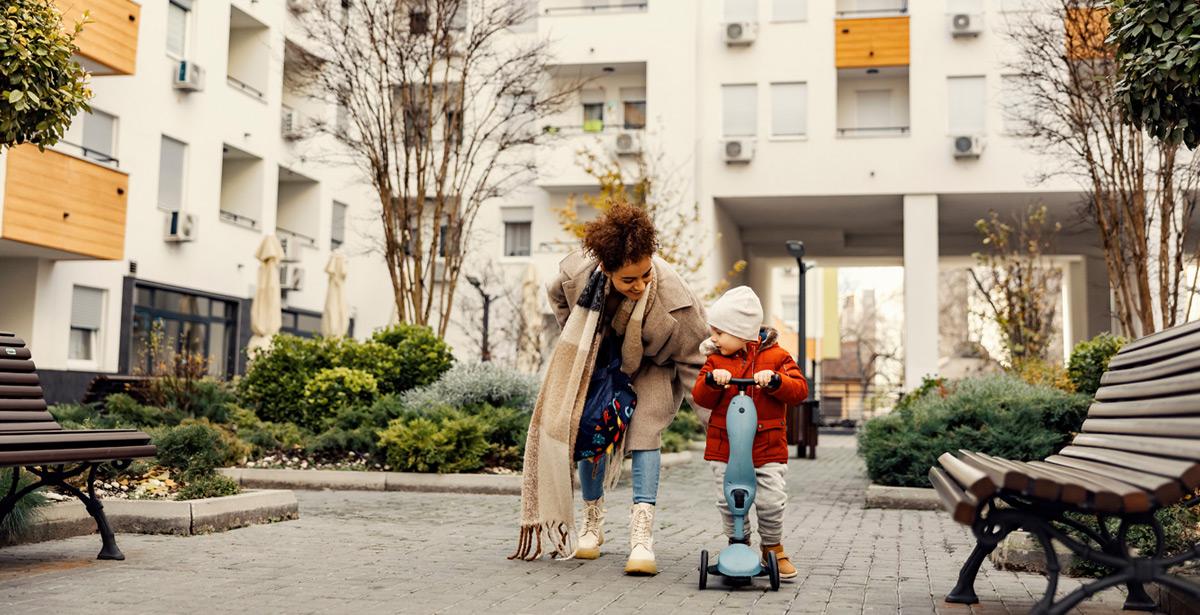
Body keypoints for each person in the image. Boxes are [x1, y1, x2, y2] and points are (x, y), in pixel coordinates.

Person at [509, 200, 708, 575]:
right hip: (600, 360)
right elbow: (555, 294)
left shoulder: (674, 298)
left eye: (646, 275)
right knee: (589, 428)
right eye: (628, 280)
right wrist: (580, 333)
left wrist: (714, 425)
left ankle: (641, 535)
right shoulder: (579, 274)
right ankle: (592, 522)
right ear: (606, 269)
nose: (640, 285)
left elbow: (695, 361)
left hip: (652, 366)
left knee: (645, 433)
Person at [691, 286, 808, 581]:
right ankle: (737, 543)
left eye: (719, 332)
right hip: (725, 447)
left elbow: (799, 391)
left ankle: (773, 548)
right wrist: (713, 382)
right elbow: (700, 397)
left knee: (771, 500)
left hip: (767, 447)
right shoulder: (716, 360)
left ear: (740, 330)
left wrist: (776, 381)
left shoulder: (778, 357)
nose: (714, 338)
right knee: (728, 499)